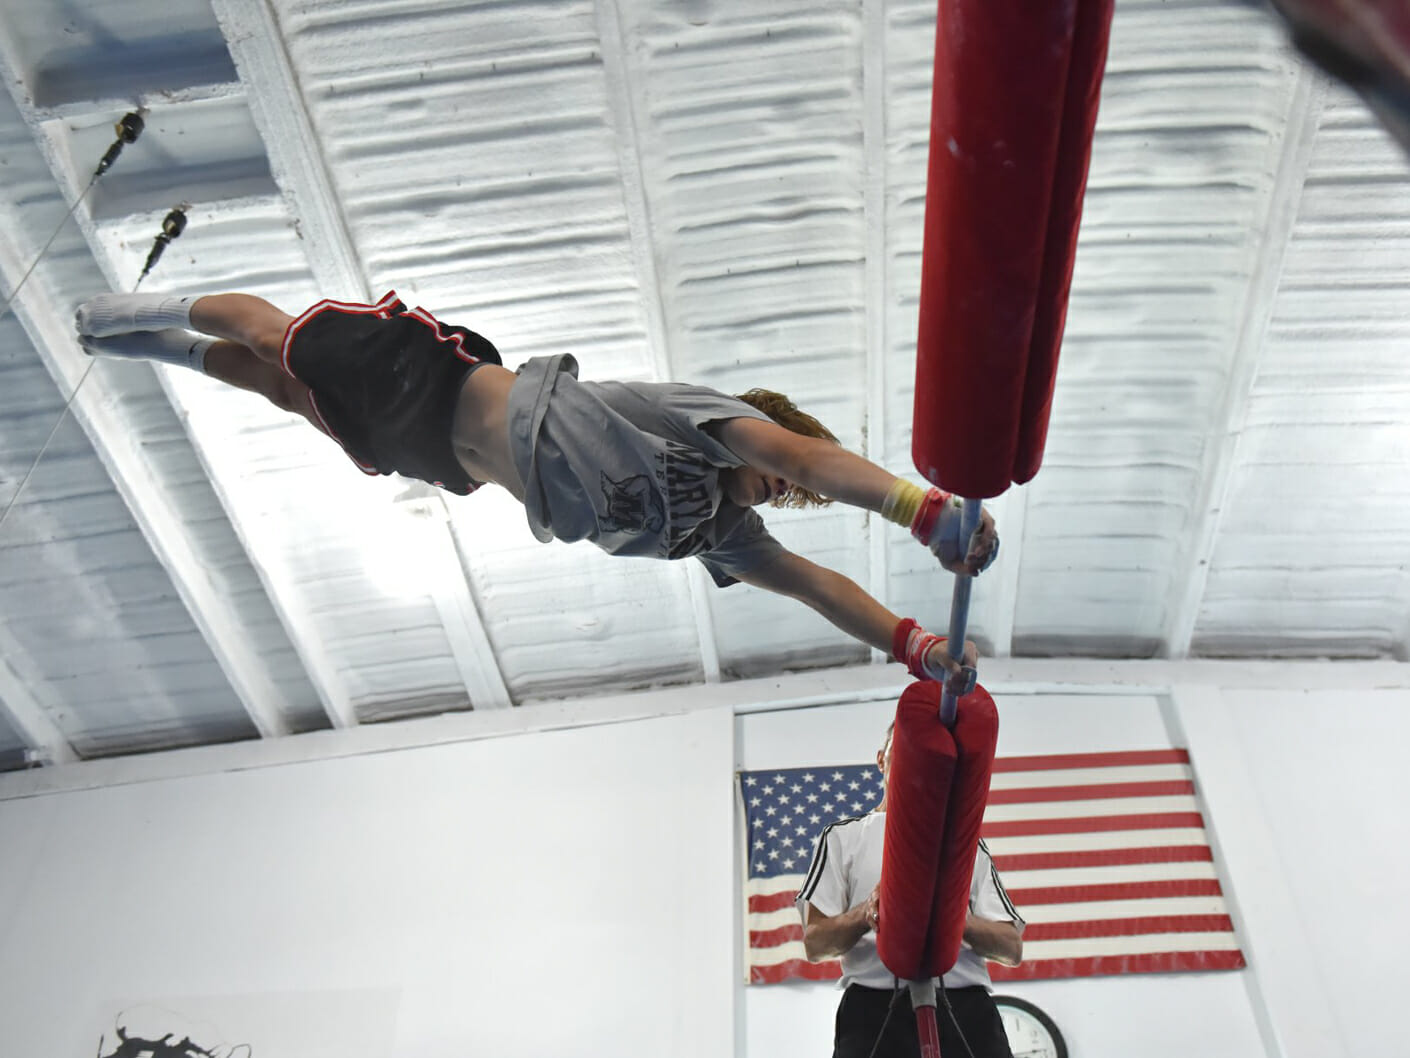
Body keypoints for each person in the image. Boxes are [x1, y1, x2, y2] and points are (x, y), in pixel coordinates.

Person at [74, 290, 997, 692]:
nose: (769, 492)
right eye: (774, 480)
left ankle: (175, 353)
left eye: (777, 496)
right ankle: (137, 314)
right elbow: (801, 457)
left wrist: (911, 645)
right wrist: (920, 509)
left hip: (433, 454)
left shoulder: (719, 531)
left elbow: (811, 585)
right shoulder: (702, 421)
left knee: (284, 391)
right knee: (279, 339)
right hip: (438, 381)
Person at [798, 722, 1023, 1058]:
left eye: (924, 756)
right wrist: (868, 913)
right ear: (881, 759)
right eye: (902, 750)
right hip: (873, 1009)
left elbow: (1011, 948)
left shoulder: (965, 843)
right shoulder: (843, 838)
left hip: (963, 1005)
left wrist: (953, 918)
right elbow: (815, 944)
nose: (913, 761)